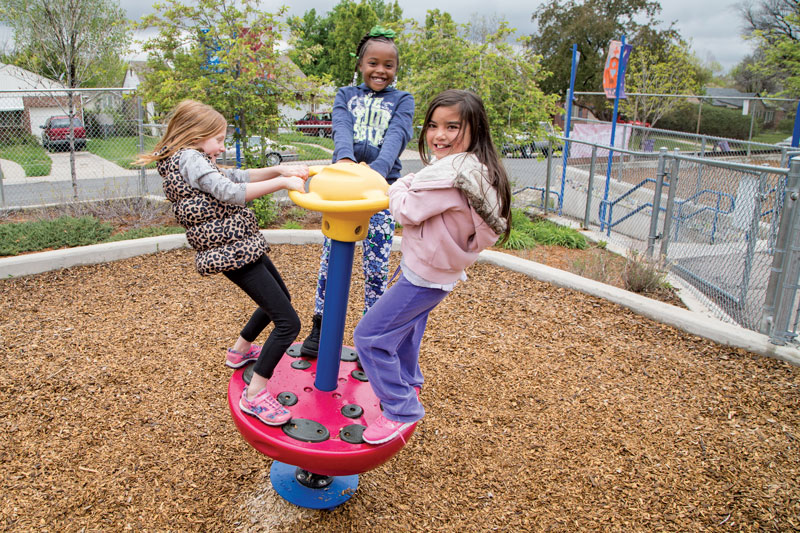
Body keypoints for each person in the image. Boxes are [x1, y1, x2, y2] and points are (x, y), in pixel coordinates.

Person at [136, 100, 309, 427]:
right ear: (197, 135)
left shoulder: (193, 159)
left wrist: (279, 169)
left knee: (280, 303)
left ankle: (240, 350)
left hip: (238, 246)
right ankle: (255, 395)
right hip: (230, 250)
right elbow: (231, 191)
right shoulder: (190, 158)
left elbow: (236, 175)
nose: (222, 145)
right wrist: (283, 183)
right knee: (289, 323)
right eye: (218, 138)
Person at [353, 90, 512, 445]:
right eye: (433, 126)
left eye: (452, 126)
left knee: (370, 337)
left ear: (475, 129)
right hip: (439, 268)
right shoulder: (472, 168)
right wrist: (410, 184)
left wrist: (397, 186)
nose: (439, 135)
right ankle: (409, 380)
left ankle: (400, 407)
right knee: (407, 329)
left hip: (425, 273)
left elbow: (406, 209)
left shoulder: (447, 176)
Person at [299, 26, 415, 357]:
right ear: (361, 64)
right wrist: (347, 162)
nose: (381, 71)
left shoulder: (402, 99)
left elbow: (397, 135)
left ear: (396, 68)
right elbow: (342, 129)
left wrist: (376, 173)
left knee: (376, 267)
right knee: (330, 261)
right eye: (374, 63)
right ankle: (320, 328)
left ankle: (371, 338)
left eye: (389, 65)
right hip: (344, 189)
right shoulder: (345, 95)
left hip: (379, 192)